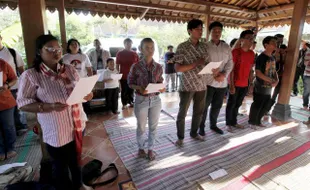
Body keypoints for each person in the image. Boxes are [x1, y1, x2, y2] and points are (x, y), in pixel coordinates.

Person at [17, 35, 93, 190]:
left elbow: (81, 92)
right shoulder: (31, 75)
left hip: (77, 124)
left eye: (58, 48)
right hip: (56, 130)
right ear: (39, 51)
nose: (56, 52)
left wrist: (87, 95)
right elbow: (23, 103)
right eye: (50, 49)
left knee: (76, 159)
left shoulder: (70, 69)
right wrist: (49, 107)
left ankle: (79, 185)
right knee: (60, 166)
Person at [174, 19, 210, 146]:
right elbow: (178, 68)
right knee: (182, 113)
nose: (200, 31)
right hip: (187, 86)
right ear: (190, 31)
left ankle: (194, 133)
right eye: (198, 29)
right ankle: (180, 137)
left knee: (199, 112)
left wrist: (212, 68)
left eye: (201, 29)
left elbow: (206, 63)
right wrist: (195, 64)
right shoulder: (182, 47)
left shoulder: (204, 46)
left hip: (201, 84)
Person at [127, 38, 165, 161]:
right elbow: (130, 82)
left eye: (152, 47)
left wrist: (162, 88)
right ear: (141, 49)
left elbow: (160, 82)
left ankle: (150, 149)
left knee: (153, 126)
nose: (150, 50)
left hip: (155, 100)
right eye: (147, 48)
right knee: (141, 126)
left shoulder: (159, 67)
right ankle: (141, 147)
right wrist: (138, 87)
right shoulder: (136, 66)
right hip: (141, 100)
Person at [199, 21, 233, 136]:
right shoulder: (204, 46)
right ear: (210, 32)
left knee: (217, 106)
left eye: (219, 31)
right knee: (204, 106)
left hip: (222, 82)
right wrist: (212, 73)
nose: (217, 33)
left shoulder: (226, 47)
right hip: (208, 82)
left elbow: (230, 63)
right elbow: (201, 62)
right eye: (214, 31)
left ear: (221, 32)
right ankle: (201, 127)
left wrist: (224, 75)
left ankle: (213, 125)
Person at [226, 30, 255, 132]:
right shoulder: (235, 52)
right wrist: (232, 85)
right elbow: (231, 70)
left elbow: (251, 70)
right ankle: (228, 123)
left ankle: (234, 122)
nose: (251, 40)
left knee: (238, 104)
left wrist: (251, 84)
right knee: (231, 104)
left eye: (252, 38)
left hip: (244, 84)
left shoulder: (252, 54)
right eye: (248, 38)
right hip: (234, 83)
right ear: (242, 39)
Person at [0, 34, 28, 135]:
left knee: (16, 109)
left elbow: (21, 69)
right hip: (0, 91)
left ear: (1, 38)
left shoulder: (11, 52)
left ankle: (20, 127)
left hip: (14, 86)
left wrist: (25, 84)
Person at [249, 36, 278, 129]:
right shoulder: (261, 57)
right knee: (258, 104)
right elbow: (258, 73)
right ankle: (252, 122)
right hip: (260, 85)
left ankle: (258, 121)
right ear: (266, 45)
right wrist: (271, 80)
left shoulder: (272, 58)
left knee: (265, 105)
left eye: (275, 42)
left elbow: (274, 71)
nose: (275, 44)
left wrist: (277, 80)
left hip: (269, 87)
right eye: (272, 42)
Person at [63, 38, 93, 114]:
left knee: (85, 100)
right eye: (72, 44)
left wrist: (91, 83)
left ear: (79, 46)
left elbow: (89, 69)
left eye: (76, 44)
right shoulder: (65, 57)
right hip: (71, 83)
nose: (74, 45)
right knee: (75, 101)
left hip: (83, 82)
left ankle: (86, 116)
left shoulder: (84, 56)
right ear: (68, 46)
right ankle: (76, 117)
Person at [0, 59, 18, 161]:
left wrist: (7, 85)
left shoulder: (2, 63)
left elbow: (14, 79)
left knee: (8, 126)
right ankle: (1, 150)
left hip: (5, 101)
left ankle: (11, 148)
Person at [116, 38, 139, 110]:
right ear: (124, 44)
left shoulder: (134, 53)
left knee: (131, 89)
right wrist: (117, 74)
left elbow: (137, 64)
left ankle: (131, 102)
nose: (129, 45)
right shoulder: (120, 53)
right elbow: (117, 65)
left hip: (133, 76)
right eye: (127, 44)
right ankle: (124, 103)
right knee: (124, 90)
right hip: (123, 75)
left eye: (130, 44)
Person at [265, 44, 287, 114]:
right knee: (269, 94)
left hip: (280, 78)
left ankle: (267, 109)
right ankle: (265, 109)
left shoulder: (285, 56)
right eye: (281, 50)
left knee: (274, 94)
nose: (282, 52)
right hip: (273, 77)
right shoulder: (274, 55)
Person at [303, 42, 310, 110]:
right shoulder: (308, 52)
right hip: (308, 74)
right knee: (307, 91)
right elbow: (305, 63)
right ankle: (305, 105)